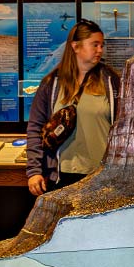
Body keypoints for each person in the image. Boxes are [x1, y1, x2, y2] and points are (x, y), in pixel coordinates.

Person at [26, 19, 120, 196]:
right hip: (63, 176)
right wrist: (34, 171)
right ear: (76, 47)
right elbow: (35, 128)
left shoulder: (112, 81)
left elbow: (123, 127)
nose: (100, 50)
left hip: (101, 177)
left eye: (102, 45)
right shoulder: (51, 84)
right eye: (95, 45)